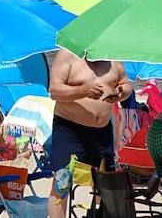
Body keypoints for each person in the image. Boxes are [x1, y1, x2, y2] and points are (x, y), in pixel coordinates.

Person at [48, 49, 132, 218]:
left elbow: (126, 84)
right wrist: (83, 90)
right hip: (70, 131)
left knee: (106, 185)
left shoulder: (112, 56)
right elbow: (54, 91)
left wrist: (122, 92)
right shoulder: (68, 55)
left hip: (102, 133)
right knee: (61, 184)